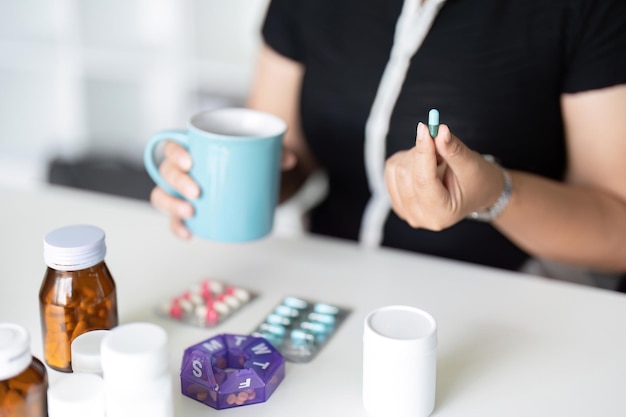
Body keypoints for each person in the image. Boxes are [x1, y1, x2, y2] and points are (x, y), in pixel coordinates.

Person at [150, 0, 626, 274]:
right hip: (330, 278)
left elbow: (617, 232)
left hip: (503, 298)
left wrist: (494, 194)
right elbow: (288, 158)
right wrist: (214, 184)